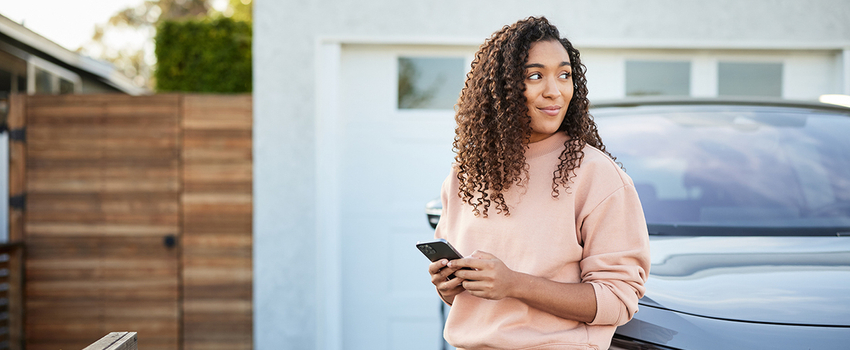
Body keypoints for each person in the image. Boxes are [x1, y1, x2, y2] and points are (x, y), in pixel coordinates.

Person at [428, 16, 651, 350]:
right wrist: (449, 287)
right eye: (535, 76)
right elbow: (475, 305)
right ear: (500, 89)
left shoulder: (595, 174)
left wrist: (514, 284)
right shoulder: (466, 174)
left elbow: (618, 302)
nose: (554, 91)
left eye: (564, 75)